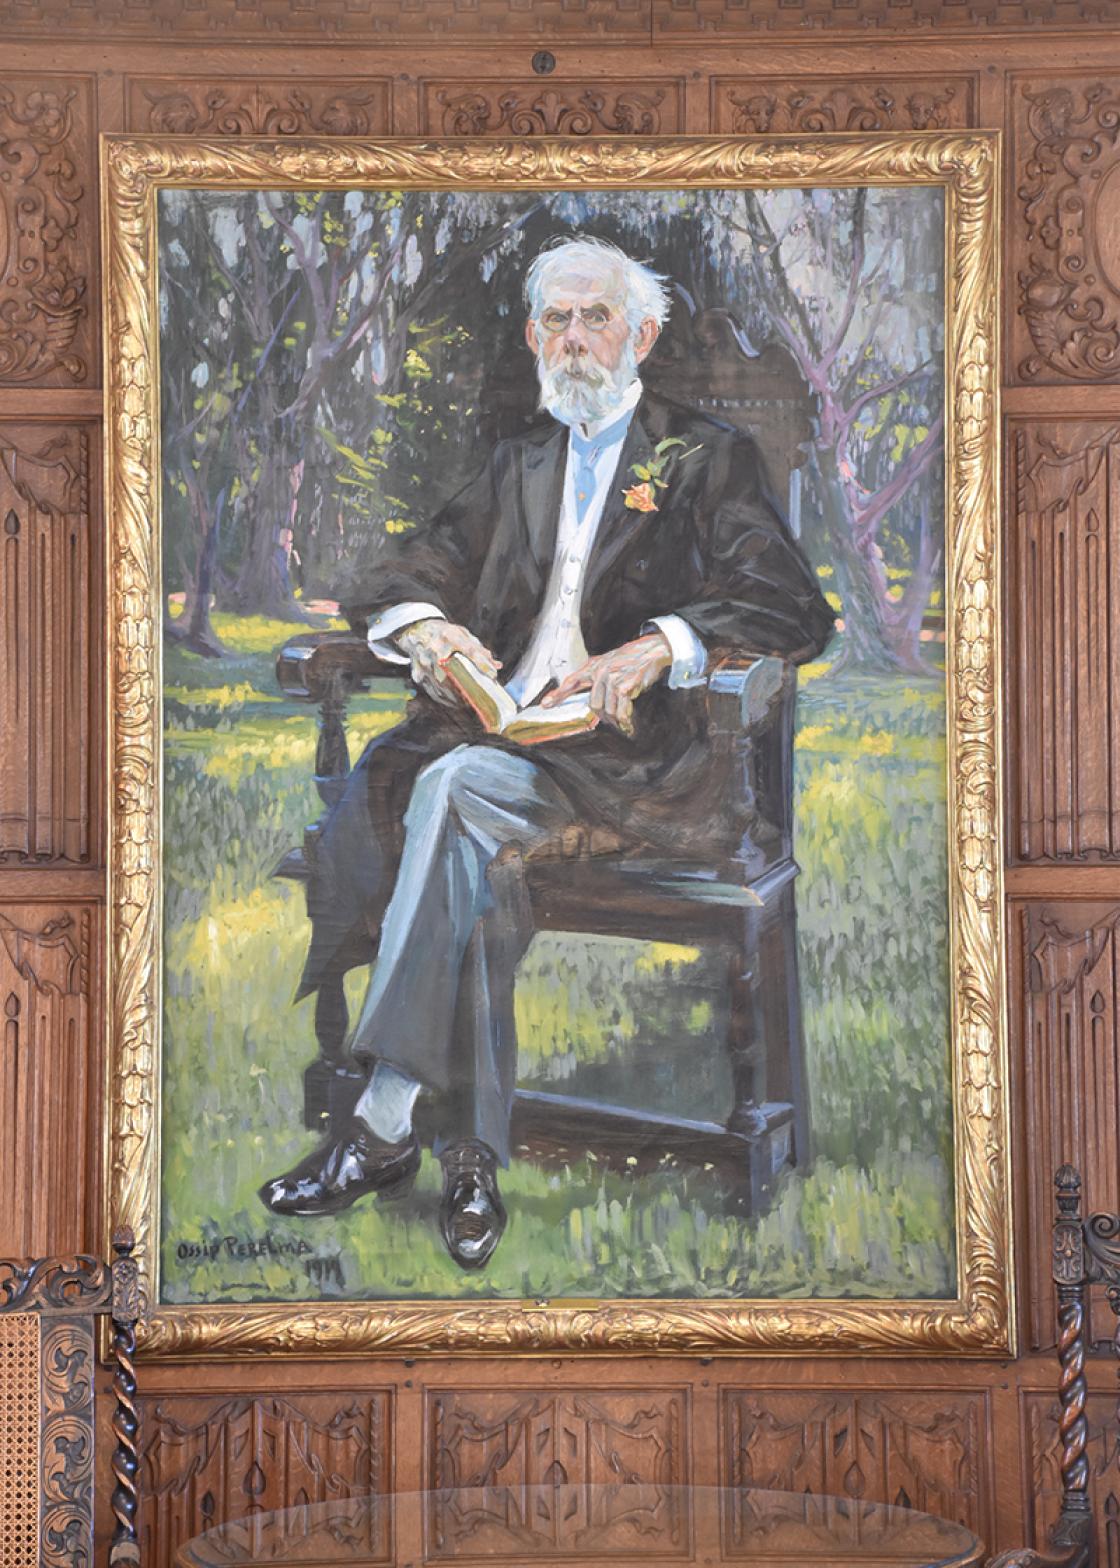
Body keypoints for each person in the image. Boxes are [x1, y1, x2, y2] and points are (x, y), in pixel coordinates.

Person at [259, 235, 834, 1269]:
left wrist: (664, 644)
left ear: (641, 335)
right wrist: (427, 629)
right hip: (509, 755)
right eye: (556, 321)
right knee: (462, 824)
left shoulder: (700, 458)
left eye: (595, 318)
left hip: (636, 770)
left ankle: (383, 1121)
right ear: (532, 337)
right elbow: (398, 570)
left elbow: (793, 606)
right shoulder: (518, 462)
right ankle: (470, 1159)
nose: (574, 338)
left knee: (451, 792)